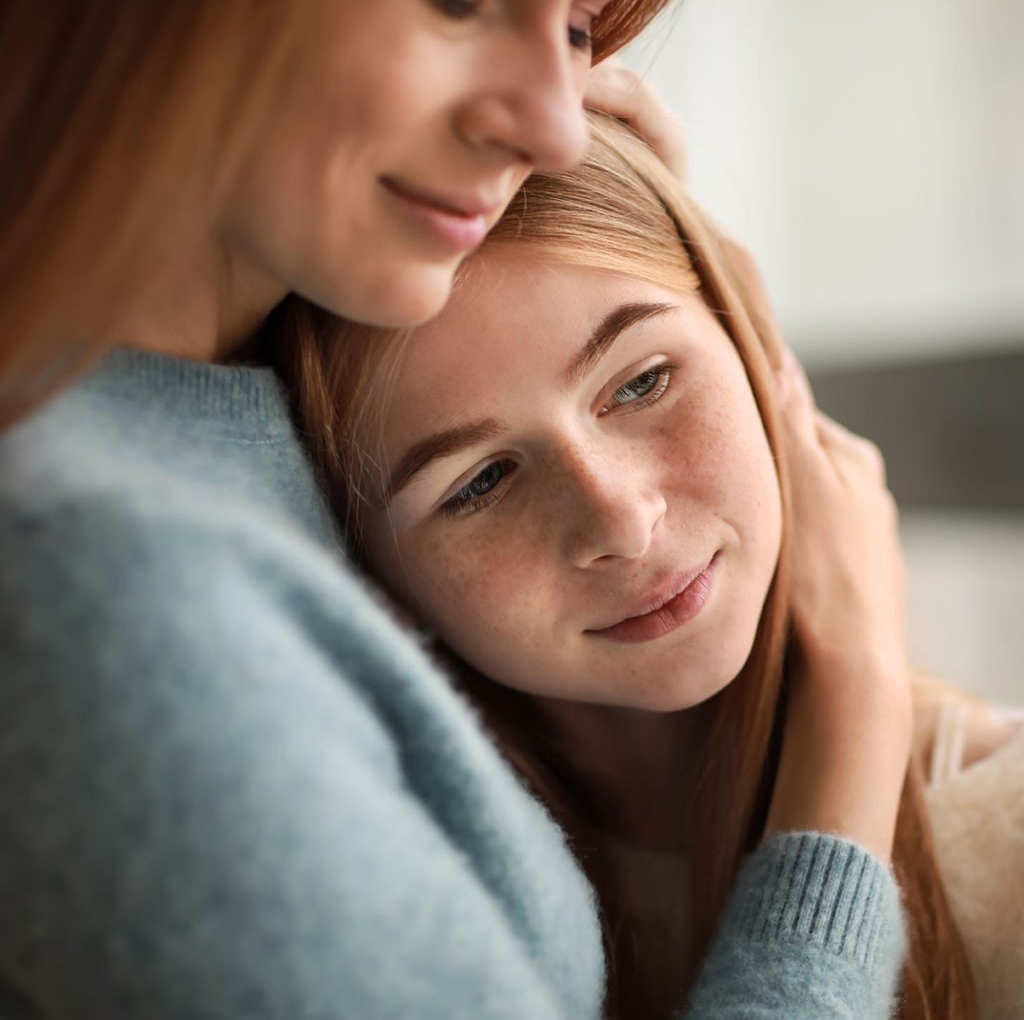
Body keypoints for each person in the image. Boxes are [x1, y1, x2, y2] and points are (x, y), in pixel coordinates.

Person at [0, 0, 913, 1017]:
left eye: (575, 27)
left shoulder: (227, 407)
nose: (558, 127)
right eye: (462, 1)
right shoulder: (96, 593)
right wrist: (853, 724)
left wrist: (658, 251)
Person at [269, 110, 983, 1019]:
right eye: (480, 482)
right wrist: (857, 685)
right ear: (378, 586)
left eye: (643, 381)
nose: (621, 521)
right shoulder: (384, 918)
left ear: (757, 350)